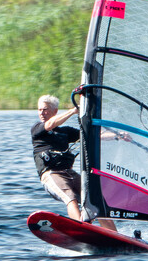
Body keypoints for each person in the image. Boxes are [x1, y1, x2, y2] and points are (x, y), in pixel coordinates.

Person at [31, 93, 117, 232]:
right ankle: (82, 229)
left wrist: (117, 136)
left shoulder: (65, 132)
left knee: (95, 199)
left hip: (69, 173)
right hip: (51, 175)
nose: (42, 112)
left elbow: (93, 136)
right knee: (71, 199)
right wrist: (73, 110)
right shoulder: (37, 129)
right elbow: (51, 124)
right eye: (40, 109)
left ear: (55, 111)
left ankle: (114, 235)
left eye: (45, 109)